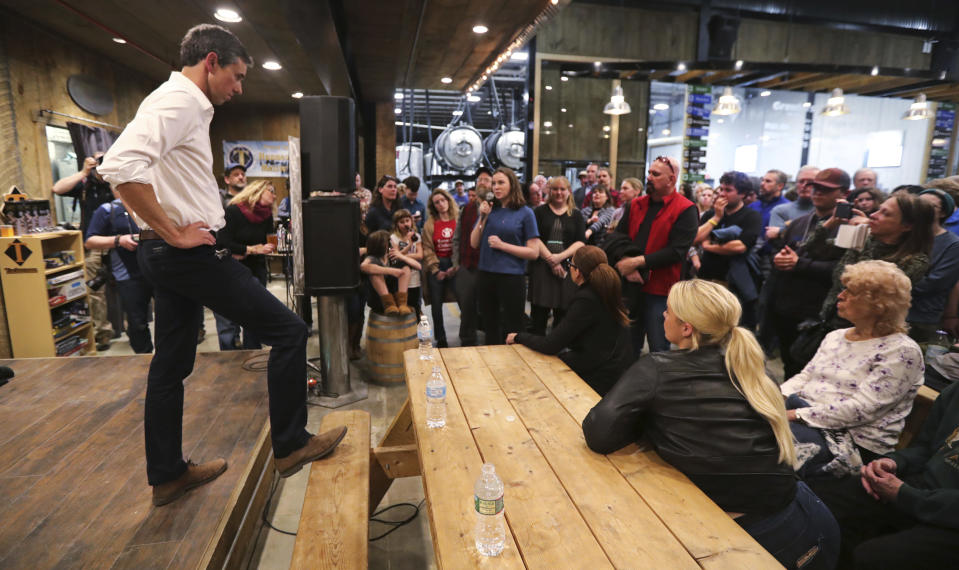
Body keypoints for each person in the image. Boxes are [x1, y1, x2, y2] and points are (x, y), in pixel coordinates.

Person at [98, 24, 346, 506]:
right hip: (186, 252)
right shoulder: (182, 101)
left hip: (166, 253)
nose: (239, 87)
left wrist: (166, 233)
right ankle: (292, 444)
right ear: (211, 61)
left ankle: (167, 474)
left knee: (171, 365)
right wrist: (173, 231)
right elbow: (120, 166)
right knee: (290, 332)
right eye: (236, 75)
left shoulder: (176, 102)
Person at [582, 280, 838, 570]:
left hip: (760, 541)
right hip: (808, 513)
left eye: (668, 311)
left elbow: (598, 433)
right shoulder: (753, 367)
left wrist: (648, 426)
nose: (662, 316)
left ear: (686, 328)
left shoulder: (657, 368)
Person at [782, 261, 924, 479]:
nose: (840, 296)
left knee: (766, 443)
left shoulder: (902, 352)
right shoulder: (836, 336)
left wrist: (794, 414)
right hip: (807, 414)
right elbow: (805, 377)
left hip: (851, 440)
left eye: (851, 292)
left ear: (878, 304)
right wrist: (775, 398)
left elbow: (861, 409)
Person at [508, 246, 632, 395]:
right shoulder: (606, 289)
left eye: (570, 264)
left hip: (598, 374)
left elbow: (551, 345)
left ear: (577, 271)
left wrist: (518, 337)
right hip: (614, 367)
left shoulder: (586, 299)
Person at [764, 168, 846, 378]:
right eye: (815, 187)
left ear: (843, 193)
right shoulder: (799, 223)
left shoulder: (849, 227)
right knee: (789, 365)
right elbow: (780, 251)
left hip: (820, 311)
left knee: (813, 372)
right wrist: (779, 258)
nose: (817, 192)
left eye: (826, 190)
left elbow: (844, 270)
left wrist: (800, 263)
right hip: (787, 306)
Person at [611, 156, 697, 354]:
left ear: (671, 179)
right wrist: (625, 261)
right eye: (649, 173)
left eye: (656, 174)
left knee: (659, 346)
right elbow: (617, 238)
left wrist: (637, 262)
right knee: (627, 344)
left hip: (661, 290)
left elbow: (677, 251)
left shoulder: (686, 209)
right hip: (630, 286)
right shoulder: (635, 205)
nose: (649, 177)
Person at [817, 192, 935, 327]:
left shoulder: (915, 260)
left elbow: (861, 285)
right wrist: (832, 222)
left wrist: (864, 235)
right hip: (829, 321)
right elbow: (816, 250)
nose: (873, 215)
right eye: (879, 209)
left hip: (867, 330)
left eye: (885, 214)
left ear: (907, 226)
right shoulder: (866, 237)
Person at [52, 152, 115, 350]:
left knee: (129, 284)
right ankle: (102, 333)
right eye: (100, 162)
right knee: (95, 290)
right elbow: (57, 188)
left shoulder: (116, 182)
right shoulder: (87, 184)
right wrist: (83, 171)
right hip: (93, 243)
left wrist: (113, 176)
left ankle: (135, 326)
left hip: (121, 242)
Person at [470, 167, 540, 344]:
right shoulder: (490, 210)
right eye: (494, 183)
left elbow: (534, 252)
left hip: (511, 276)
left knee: (513, 327)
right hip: (486, 274)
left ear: (512, 185)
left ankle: (515, 366)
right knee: (489, 326)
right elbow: (474, 243)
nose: (496, 187)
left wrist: (503, 246)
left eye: (501, 183)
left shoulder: (525, 213)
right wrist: (482, 217)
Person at [84, 188, 154, 354]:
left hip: (157, 271)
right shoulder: (108, 210)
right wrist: (118, 240)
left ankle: (168, 358)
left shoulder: (150, 205)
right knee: (137, 322)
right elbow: (90, 241)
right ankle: (144, 360)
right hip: (128, 276)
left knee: (170, 317)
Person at [694, 171, 762, 328]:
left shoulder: (751, 216)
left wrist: (710, 246)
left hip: (735, 284)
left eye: (728, 190)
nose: (722, 194)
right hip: (708, 279)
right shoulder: (711, 214)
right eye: (721, 190)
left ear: (742, 194)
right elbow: (696, 239)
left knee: (734, 327)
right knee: (706, 326)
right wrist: (716, 218)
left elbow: (740, 246)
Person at [216, 180, 278, 350]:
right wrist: (250, 249)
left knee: (256, 313)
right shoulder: (233, 211)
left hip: (256, 268)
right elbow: (222, 242)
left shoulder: (266, 215)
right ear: (257, 191)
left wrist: (262, 249)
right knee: (230, 318)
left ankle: (252, 352)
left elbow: (264, 242)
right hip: (231, 268)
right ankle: (230, 359)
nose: (274, 195)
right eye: (270, 191)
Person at [528, 176, 585, 335]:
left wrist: (560, 258)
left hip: (567, 270)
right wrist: (551, 261)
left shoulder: (576, 215)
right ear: (549, 191)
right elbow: (534, 238)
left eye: (562, 189)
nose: (558, 192)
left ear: (569, 191)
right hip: (542, 268)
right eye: (555, 189)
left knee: (563, 316)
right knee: (538, 316)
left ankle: (557, 352)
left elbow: (580, 242)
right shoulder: (539, 211)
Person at [907, 188, 959, 342]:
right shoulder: (905, 235)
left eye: (929, 205)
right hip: (892, 310)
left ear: (942, 213)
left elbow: (935, 283)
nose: (921, 209)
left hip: (921, 317)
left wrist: (892, 286)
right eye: (918, 204)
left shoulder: (953, 244)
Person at [454, 167, 491, 346]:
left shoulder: (497, 208)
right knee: (467, 304)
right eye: (479, 180)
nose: (482, 182)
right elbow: (457, 236)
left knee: (490, 305)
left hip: (490, 266)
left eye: (486, 180)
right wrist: (457, 263)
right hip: (468, 265)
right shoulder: (466, 208)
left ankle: (492, 338)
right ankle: (467, 339)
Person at [422, 188, 459, 348]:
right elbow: (427, 248)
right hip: (437, 264)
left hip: (456, 264)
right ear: (433, 206)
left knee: (465, 301)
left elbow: (462, 244)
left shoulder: (458, 219)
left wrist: (456, 267)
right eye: (437, 202)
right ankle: (441, 338)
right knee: (436, 305)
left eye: (443, 200)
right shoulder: (430, 224)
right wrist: (436, 269)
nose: (441, 204)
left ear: (448, 201)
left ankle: (467, 334)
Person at [361, 230, 413, 315]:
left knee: (405, 267)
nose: (391, 244)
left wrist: (404, 253)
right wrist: (390, 271)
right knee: (375, 273)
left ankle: (402, 303)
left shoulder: (391, 257)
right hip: (378, 299)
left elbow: (418, 266)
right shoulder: (373, 258)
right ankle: (389, 304)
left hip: (395, 295)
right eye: (388, 242)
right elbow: (363, 266)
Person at [768, 165, 820, 239]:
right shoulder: (781, 210)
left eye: (810, 182)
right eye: (801, 181)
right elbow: (773, 237)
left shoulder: (825, 211)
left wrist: (782, 230)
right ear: (796, 184)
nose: (804, 185)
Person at [389, 209, 424, 318]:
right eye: (402, 222)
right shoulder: (393, 238)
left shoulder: (416, 236)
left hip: (414, 278)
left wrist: (403, 256)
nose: (405, 224)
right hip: (401, 278)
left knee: (416, 306)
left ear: (411, 221)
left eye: (407, 221)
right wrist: (409, 246)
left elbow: (420, 255)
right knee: (403, 307)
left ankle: (417, 333)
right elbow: (395, 256)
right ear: (396, 224)